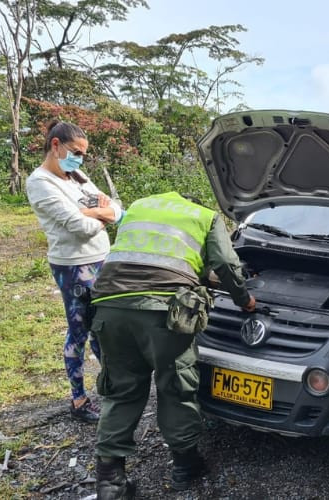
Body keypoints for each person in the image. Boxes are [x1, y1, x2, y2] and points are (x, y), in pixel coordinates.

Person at [89, 191, 256, 499]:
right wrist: (245, 300)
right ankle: (185, 465)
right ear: (194, 202)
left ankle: (110, 482)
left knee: (121, 389)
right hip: (165, 312)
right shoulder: (205, 216)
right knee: (176, 385)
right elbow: (225, 265)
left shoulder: (139, 206)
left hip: (109, 306)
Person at [25, 120, 123, 424]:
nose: (79, 159)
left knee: (103, 328)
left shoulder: (76, 177)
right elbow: (80, 229)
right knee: (78, 331)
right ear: (56, 146)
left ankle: (108, 386)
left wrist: (94, 211)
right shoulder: (40, 182)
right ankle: (79, 399)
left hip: (101, 261)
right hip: (73, 266)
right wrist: (99, 213)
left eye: (83, 154)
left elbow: (118, 209)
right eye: (75, 152)